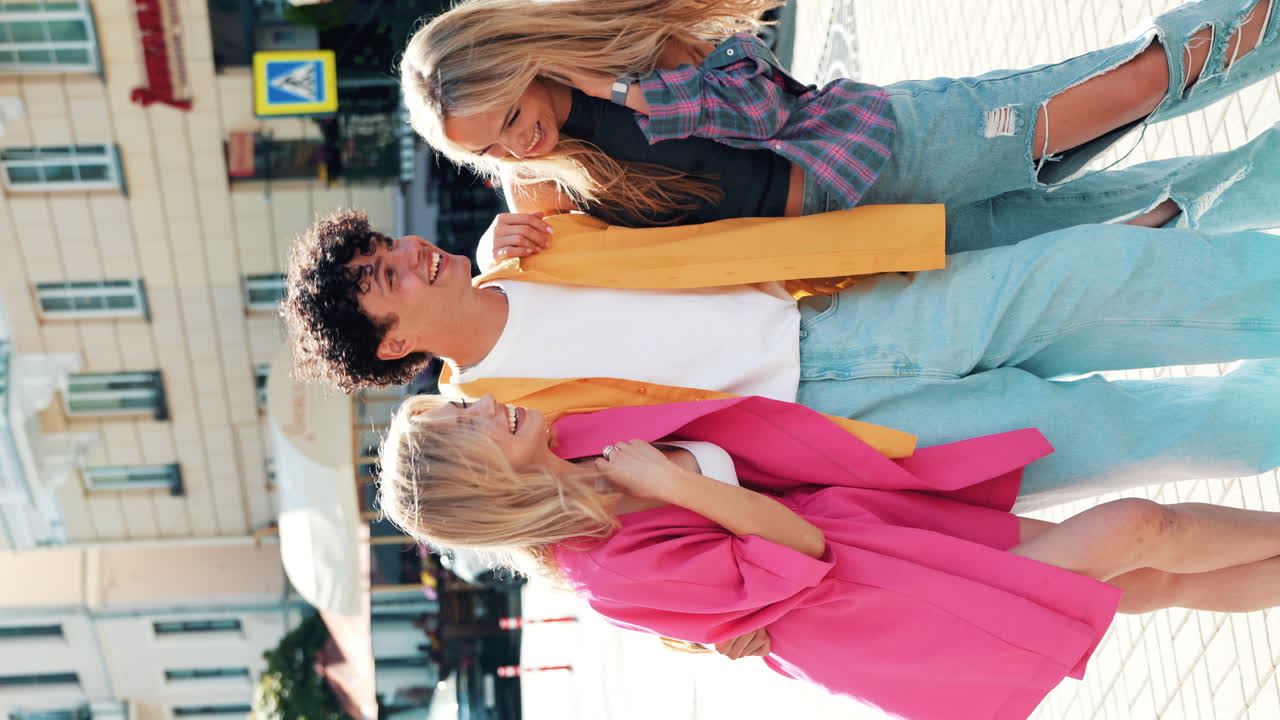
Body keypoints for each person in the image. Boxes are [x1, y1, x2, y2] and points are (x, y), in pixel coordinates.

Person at [281, 125, 1280, 508]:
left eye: (390, 246)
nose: (411, 254)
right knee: (1107, 439)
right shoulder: (494, 426)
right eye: (388, 278)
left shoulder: (531, 233)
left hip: (844, 317)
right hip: (843, 437)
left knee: (1096, 274)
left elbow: (545, 127)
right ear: (395, 344)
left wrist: (519, 201)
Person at [374, 392, 1280, 720]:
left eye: (459, 406)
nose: (481, 406)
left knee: (1144, 585)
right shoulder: (603, 567)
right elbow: (798, 552)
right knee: (1137, 532)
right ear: (484, 489)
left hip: (890, 543)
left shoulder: (583, 451)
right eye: (465, 427)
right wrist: (678, 487)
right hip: (879, 602)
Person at [400, 0, 1278, 260]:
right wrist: (490, 253)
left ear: (530, 63)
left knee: (1136, 84)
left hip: (894, 145)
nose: (514, 147)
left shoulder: (636, 54)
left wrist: (630, 93)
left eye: (512, 116)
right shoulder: (540, 183)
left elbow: (770, 111)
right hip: (866, 240)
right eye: (486, 148)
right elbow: (561, 280)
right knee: (1127, 231)